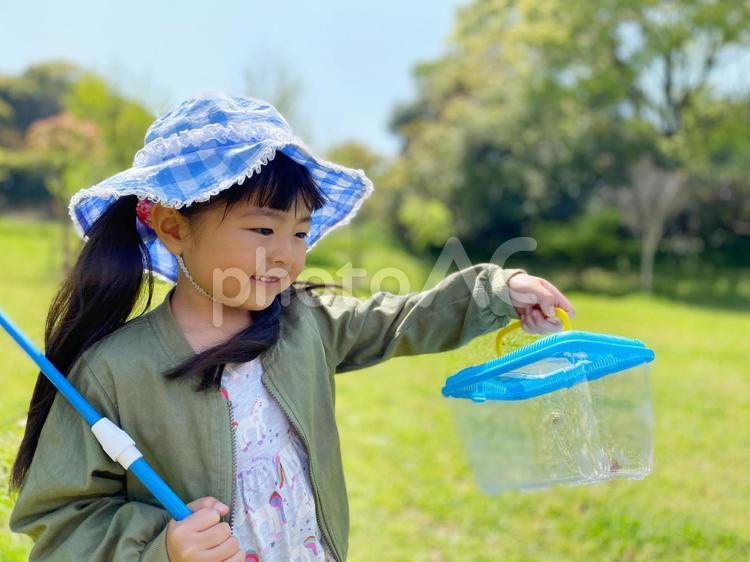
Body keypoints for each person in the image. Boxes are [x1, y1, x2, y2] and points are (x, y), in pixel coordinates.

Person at [8, 92, 575, 561]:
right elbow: (61, 521)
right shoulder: (114, 370)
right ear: (174, 228)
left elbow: (400, 319)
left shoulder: (306, 323)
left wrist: (495, 290)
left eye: (300, 233)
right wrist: (163, 547)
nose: (286, 255)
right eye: (263, 230)